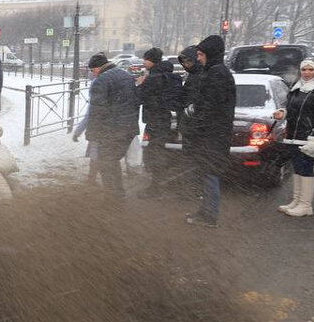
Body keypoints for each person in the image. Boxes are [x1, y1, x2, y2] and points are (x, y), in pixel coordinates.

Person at [184, 35, 236, 227]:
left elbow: (211, 107)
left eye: (200, 54)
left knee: (210, 174)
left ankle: (209, 215)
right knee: (207, 172)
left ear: (210, 54)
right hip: (213, 134)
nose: (198, 58)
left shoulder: (217, 74)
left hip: (213, 136)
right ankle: (205, 210)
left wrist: (196, 119)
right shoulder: (215, 72)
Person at [274, 58, 314, 217]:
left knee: (306, 169)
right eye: (304, 69)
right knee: (297, 168)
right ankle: (296, 200)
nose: (306, 73)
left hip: (309, 137)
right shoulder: (297, 86)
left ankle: (305, 205)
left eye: (310, 70)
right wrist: (283, 113)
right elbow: (291, 108)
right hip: (294, 135)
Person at [85, 53, 140, 197]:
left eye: (92, 70)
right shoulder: (125, 75)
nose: (92, 74)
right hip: (128, 128)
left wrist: (92, 134)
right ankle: (117, 192)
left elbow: (97, 110)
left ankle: (113, 196)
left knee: (105, 162)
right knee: (112, 160)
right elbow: (135, 102)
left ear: (98, 68)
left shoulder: (101, 81)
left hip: (112, 130)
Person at [136, 47, 181, 191]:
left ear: (152, 60)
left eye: (146, 59)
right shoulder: (167, 74)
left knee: (155, 151)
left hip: (155, 118)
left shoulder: (154, 77)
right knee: (159, 149)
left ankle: (156, 186)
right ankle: (159, 182)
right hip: (164, 117)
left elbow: (140, 97)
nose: (144, 61)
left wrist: (140, 84)